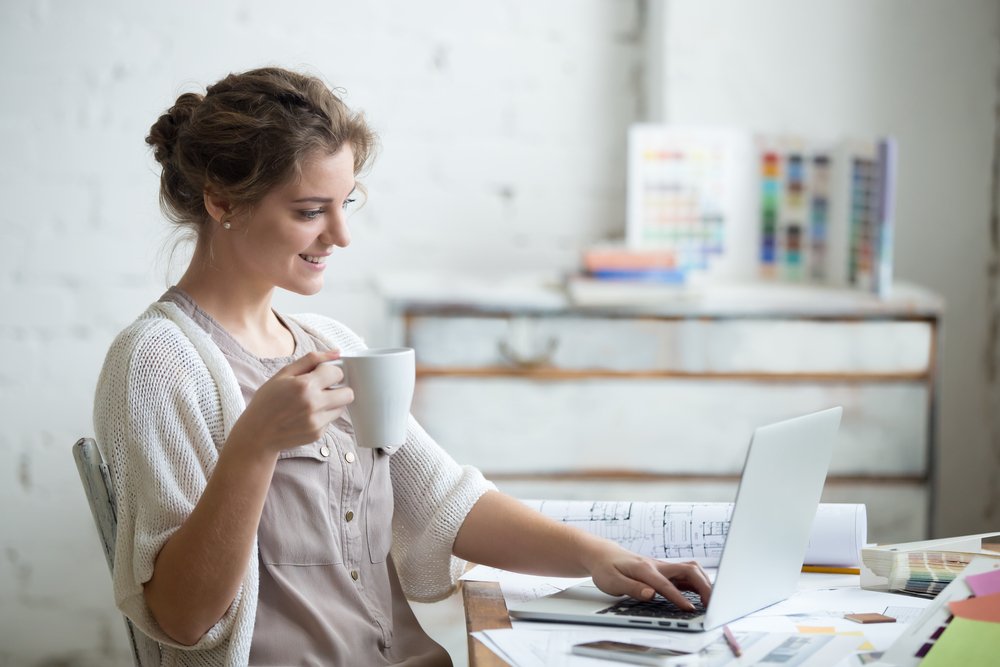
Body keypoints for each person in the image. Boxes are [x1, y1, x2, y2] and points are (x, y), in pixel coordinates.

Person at [93, 66, 712, 666]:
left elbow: (445, 502)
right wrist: (255, 445)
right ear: (222, 201)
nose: (340, 235)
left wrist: (601, 558)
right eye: (310, 211)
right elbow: (180, 617)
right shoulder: (156, 361)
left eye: (346, 203)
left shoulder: (330, 340)